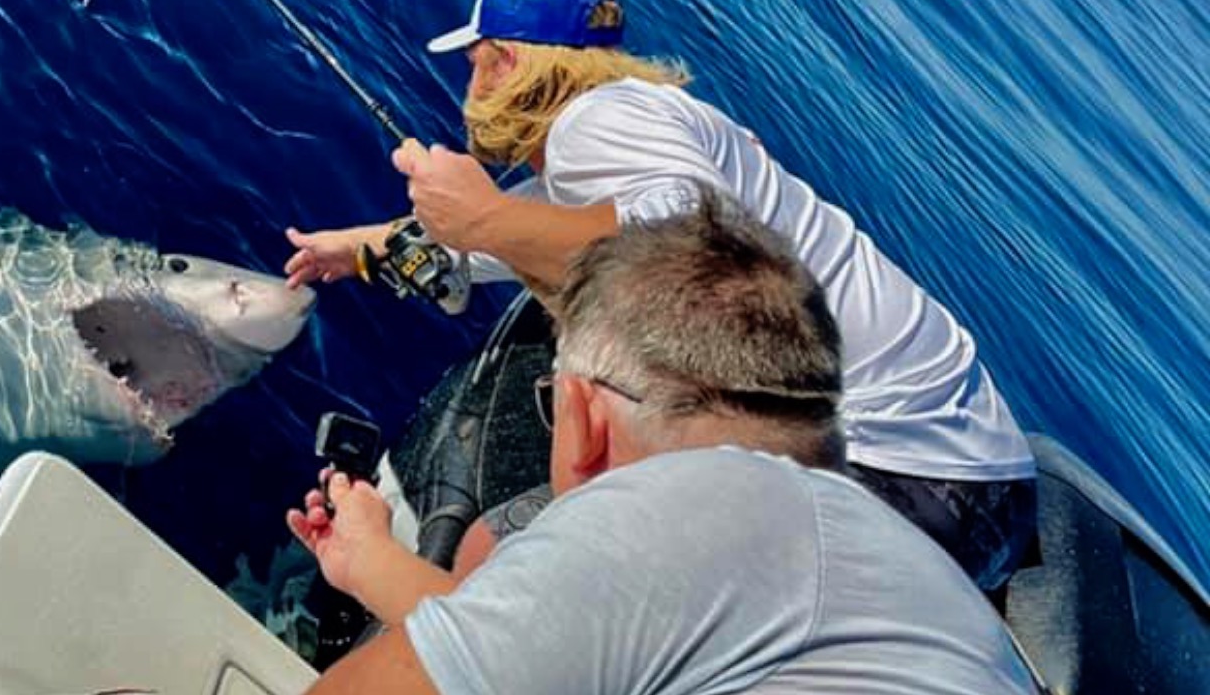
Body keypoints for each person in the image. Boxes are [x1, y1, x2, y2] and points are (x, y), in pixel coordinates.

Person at [284, 0, 1036, 589]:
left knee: (520, 568)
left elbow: (687, 254)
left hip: (897, 481)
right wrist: (359, 247)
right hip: (977, 474)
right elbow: (523, 237)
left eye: (476, 66)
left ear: (508, 62)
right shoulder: (637, 122)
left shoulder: (595, 122)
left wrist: (482, 216)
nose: (469, 91)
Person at [285, 198, 1037, 695]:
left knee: (492, 541)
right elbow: (542, 636)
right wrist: (369, 563)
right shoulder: (903, 574)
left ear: (581, 416)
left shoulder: (672, 525)